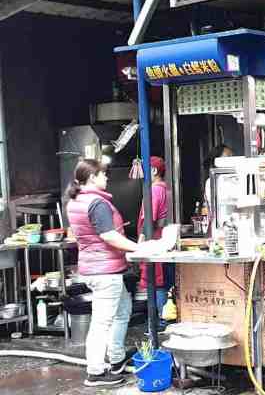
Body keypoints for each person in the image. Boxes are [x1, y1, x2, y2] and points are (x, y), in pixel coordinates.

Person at [66, 159, 139, 387]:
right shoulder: (96, 203)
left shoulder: (75, 201)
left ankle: (116, 357)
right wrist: (140, 248)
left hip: (94, 268)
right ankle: (96, 372)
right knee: (102, 322)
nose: (106, 178)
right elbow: (109, 236)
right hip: (105, 272)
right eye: (103, 174)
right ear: (92, 177)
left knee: (123, 310)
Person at [138, 156, 170, 330]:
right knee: (158, 281)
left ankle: (159, 323)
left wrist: (141, 241)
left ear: (154, 171)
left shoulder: (155, 190)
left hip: (154, 241)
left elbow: (150, 218)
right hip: (158, 240)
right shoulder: (162, 188)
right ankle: (159, 321)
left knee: (157, 282)